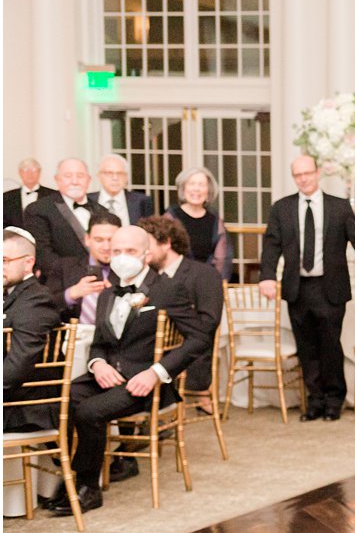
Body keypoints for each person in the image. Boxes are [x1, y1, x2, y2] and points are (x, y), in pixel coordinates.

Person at [37, 225, 210, 516]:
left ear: (146, 253)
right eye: (116, 251)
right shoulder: (107, 292)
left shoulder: (166, 289)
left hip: (144, 382)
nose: (121, 257)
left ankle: (87, 487)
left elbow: (199, 338)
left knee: (89, 412)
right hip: (107, 374)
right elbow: (100, 342)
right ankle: (70, 477)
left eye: (129, 251)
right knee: (56, 400)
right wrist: (97, 364)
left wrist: (156, 372)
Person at [259, 154, 355, 421]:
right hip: (298, 288)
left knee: (330, 346)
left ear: (317, 173)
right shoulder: (281, 209)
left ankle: (334, 400)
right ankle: (315, 401)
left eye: (307, 173)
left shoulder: (339, 207)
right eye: (298, 175)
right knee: (306, 348)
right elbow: (271, 245)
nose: (303, 179)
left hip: (330, 288)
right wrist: (267, 276)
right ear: (294, 177)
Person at [139, 214, 224, 410]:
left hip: (188, 355)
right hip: (147, 353)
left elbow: (209, 322)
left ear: (166, 243)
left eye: (147, 244)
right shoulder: (145, 277)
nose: (143, 252)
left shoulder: (204, 274)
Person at [2, 227, 62, 434]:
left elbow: (19, 364)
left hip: (23, 407)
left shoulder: (36, 300)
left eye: (5, 260)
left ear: (28, 263)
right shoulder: (9, 294)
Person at [24, 158, 103, 278]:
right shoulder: (38, 210)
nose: (75, 181)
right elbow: (43, 255)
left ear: (89, 180)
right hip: (59, 284)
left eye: (80, 176)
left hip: (102, 281)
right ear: (57, 180)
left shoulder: (103, 211)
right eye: (68, 176)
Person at [44, 211, 120, 325]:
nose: (106, 247)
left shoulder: (126, 272)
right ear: (87, 239)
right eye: (99, 240)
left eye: (111, 240)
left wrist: (114, 297)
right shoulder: (65, 267)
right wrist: (71, 294)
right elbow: (44, 306)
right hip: (71, 338)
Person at [167, 167, 231, 281]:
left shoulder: (214, 218)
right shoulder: (171, 217)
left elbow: (222, 258)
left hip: (206, 280)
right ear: (183, 188)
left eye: (202, 185)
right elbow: (165, 252)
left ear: (208, 191)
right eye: (192, 184)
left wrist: (216, 282)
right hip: (176, 281)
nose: (196, 189)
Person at [88, 154, 152, 226]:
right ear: (99, 176)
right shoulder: (88, 200)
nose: (115, 178)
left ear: (127, 177)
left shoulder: (142, 201)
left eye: (120, 173)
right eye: (109, 173)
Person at [3, 158, 57, 227]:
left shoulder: (53, 195)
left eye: (34, 170)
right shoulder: (6, 197)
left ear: (39, 172)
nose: (30, 174)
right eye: (26, 170)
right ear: (20, 172)